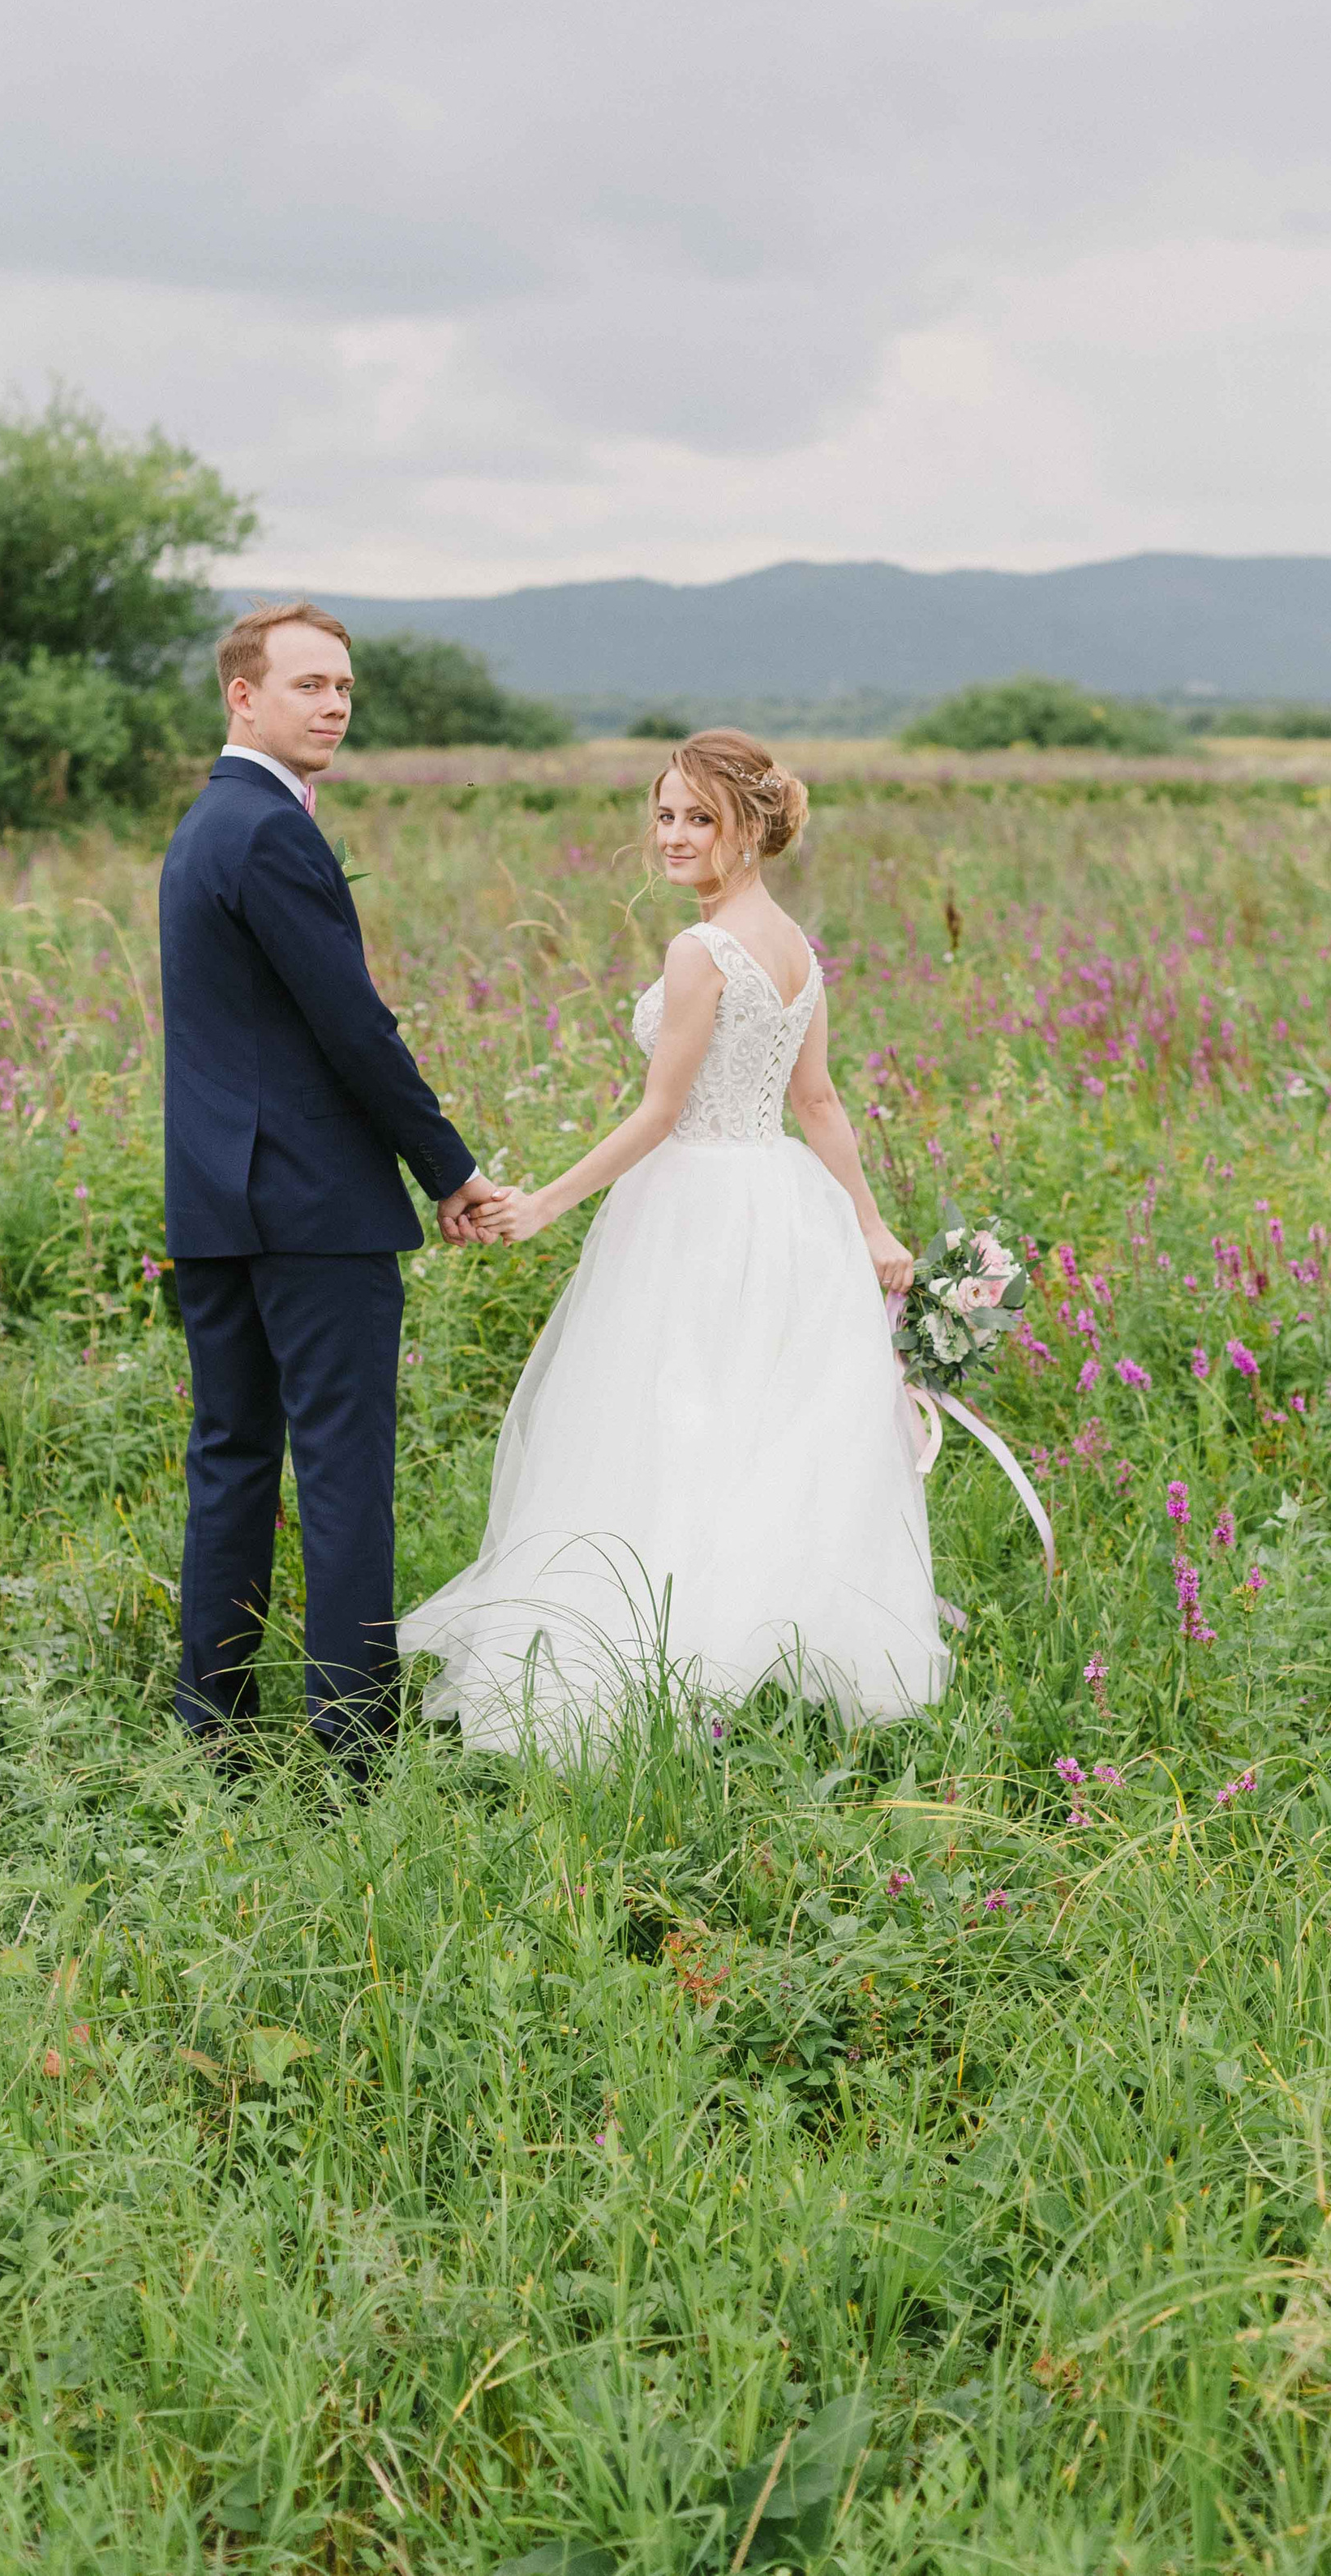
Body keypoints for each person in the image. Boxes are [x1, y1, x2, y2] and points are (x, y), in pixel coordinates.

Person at [395, 729, 951, 1752]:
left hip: (695, 1205)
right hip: (781, 1205)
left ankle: (659, 1662)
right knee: (747, 1427)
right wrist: (864, 1223)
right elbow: (815, 1104)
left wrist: (548, 1202)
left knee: (662, 1424)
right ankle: (744, 1653)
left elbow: (661, 1112)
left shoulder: (700, 951)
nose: (673, 836)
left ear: (750, 829)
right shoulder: (795, 947)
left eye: (700, 818)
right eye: (663, 815)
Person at [159, 599, 500, 1777]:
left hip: (215, 1203)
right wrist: (448, 1165)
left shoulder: (206, 826)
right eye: (309, 685)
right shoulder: (268, 832)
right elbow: (352, 1029)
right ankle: (353, 1750)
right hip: (310, 1209)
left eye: (344, 687)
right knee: (345, 1469)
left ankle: (213, 1731)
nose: (336, 706)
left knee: (234, 1458)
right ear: (242, 696)